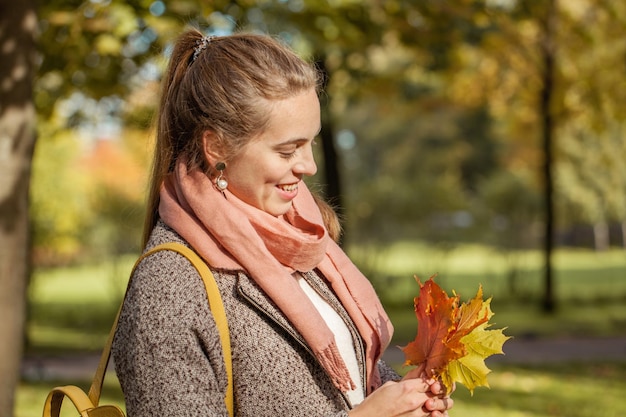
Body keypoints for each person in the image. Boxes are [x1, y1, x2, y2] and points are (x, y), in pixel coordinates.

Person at [112, 27, 454, 417]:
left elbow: (347, 386)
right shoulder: (169, 283)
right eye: (287, 150)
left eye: (310, 143)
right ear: (217, 147)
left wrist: (406, 398)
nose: (309, 166)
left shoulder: (299, 243)